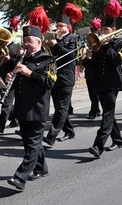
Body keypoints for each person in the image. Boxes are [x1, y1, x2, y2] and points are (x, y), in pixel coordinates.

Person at [7, 25, 56, 191]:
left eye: (29, 41)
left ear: (38, 42)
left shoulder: (48, 60)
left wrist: (30, 73)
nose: (25, 44)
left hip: (37, 108)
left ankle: (20, 177)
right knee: (29, 143)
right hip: (22, 107)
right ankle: (41, 168)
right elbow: (18, 83)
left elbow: (50, 82)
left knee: (33, 143)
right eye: (24, 41)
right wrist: (10, 77)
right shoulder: (22, 60)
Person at [87, 0, 122, 158]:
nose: (102, 32)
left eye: (106, 29)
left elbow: (116, 61)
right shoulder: (98, 44)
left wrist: (107, 45)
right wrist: (87, 58)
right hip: (99, 83)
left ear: (113, 30)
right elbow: (94, 65)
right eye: (101, 29)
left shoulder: (121, 43)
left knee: (107, 115)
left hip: (112, 84)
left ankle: (98, 146)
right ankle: (118, 139)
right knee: (109, 114)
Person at [43, 15, 77, 146]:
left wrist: (55, 45)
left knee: (62, 108)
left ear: (68, 27)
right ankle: (69, 131)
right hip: (54, 77)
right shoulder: (53, 39)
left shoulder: (73, 38)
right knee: (59, 107)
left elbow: (71, 56)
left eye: (61, 26)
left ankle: (51, 136)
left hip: (66, 78)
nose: (58, 28)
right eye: (57, 26)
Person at [0, 27, 20, 133]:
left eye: (4, 37)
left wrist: (10, 59)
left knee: (6, 101)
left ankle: (0, 125)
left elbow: (19, 63)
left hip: (10, 78)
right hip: (0, 76)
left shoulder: (16, 46)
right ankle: (14, 119)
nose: (1, 40)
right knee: (6, 102)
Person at [83, 19, 101, 119]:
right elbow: (85, 63)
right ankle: (95, 109)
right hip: (90, 72)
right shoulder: (88, 46)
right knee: (91, 92)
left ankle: (94, 110)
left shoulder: (101, 45)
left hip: (99, 72)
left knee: (97, 92)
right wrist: (87, 57)